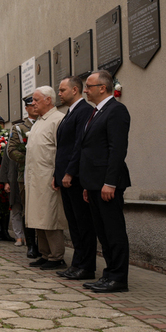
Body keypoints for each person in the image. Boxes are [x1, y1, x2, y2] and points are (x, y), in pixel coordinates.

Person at [79, 70, 131, 293]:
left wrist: (109, 182)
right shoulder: (97, 112)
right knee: (103, 232)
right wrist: (87, 184)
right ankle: (109, 274)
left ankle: (118, 277)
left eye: (89, 86)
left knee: (114, 231)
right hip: (94, 183)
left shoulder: (116, 110)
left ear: (103, 88)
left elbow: (117, 149)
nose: (85, 90)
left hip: (108, 184)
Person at [54, 76, 96, 280]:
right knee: (74, 223)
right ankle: (77, 264)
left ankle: (86, 266)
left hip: (77, 178)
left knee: (83, 223)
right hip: (65, 178)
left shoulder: (84, 111)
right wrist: (58, 174)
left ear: (75, 90)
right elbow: (62, 148)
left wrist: (70, 172)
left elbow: (79, 145)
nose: (59, 94)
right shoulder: (70, 113)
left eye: (62, 90)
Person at [25, 86, 68, 270]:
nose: (32, 103)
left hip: (48, 178)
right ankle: (45, 253)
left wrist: (57, 176)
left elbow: (62, 151)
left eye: (36, 100)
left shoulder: (57, 120)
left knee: (50, 217)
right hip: (35, 178)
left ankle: (56, 256)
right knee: (38, 218)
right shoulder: (39, 121)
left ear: (48, 100)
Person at [8, 97, 39, 258]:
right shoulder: (19, 128)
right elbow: (11, 150)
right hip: (25, 174)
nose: (34, 107)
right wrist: (29, 158)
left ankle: (45, 246)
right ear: (26, 108)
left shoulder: (45, 122)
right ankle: (31, 245)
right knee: (28, 210)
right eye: (31, 105)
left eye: (36, 104)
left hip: (45, 174)